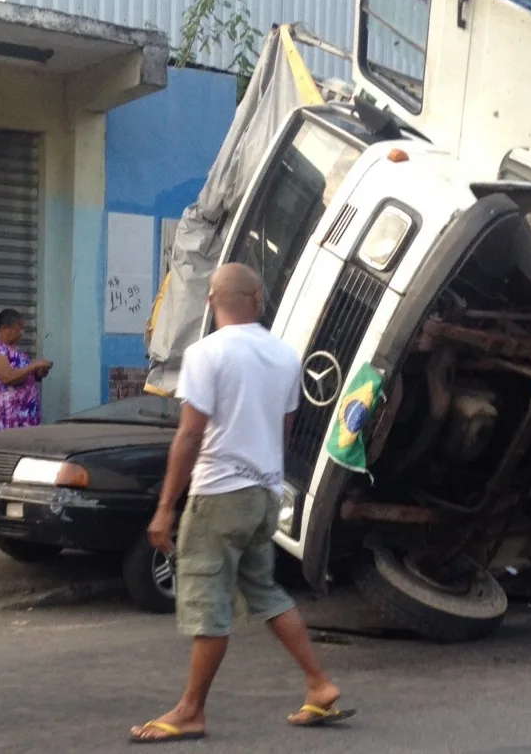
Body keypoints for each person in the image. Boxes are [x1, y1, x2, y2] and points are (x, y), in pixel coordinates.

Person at [130, 263, 353, 744]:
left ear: (211, 302)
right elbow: (285, 429)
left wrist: (165, 505)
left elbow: (190, 433)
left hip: (219, 494)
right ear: (259, 299)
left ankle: (190, 710)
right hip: (264, 493)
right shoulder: (284, 355)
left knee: (207, 603)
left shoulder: (206, 353)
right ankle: (319, 684)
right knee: (266, 591)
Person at [0, 309, 52, 431]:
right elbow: (7, 377)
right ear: (5, 328)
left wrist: (40, 371)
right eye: (19, 328)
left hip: (25, 415)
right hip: (7, 416)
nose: (22, 333)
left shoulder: (15, 350)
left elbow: (25, 375)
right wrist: (32, 366)